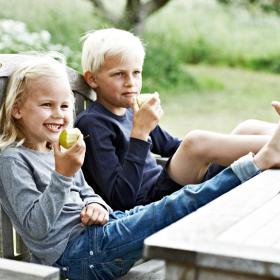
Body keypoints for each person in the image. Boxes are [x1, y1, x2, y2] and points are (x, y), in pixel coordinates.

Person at [1, 56, 280, 280]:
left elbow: (86, 192)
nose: (59, 114)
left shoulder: (56, 150)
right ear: (17, 109)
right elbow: (36, 228)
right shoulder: (14, 160)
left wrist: (95, 204)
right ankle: (257, 163)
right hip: (78, 257)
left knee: (177, 202)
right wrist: (63, 174)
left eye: (64, 106)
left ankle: (256, 165)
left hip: (101, 231)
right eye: (46, 105)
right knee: (176, 206)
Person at [76, 28, 276, 210]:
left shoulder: (133, 111)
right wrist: (139, 134)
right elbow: (120, 199)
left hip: (167, 185)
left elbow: (172, 146)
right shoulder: (92, 124)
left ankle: (274, 143)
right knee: (195, 141)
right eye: (119, 74)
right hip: (148, 204)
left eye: (136, 73)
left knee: (247, 127)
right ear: (92, 79)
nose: (131, 83)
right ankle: (274, 148)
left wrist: (212, 152)